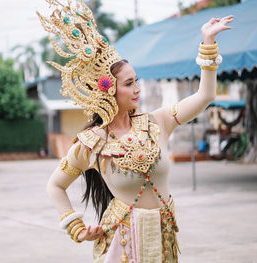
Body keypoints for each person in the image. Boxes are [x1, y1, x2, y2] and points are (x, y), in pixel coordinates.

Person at [37, 1, 233, 262]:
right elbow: (55, 185)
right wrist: (76, 227)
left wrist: (208, 42)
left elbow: (205, 95)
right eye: (129, 84)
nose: (138, 89)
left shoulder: (158, 122)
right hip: (122, 243)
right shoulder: (92, 143)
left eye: (136, 81)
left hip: (163, 237)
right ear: (108, 90)